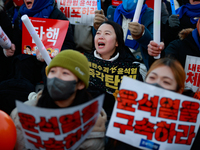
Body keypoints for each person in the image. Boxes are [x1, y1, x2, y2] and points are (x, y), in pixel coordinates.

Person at [10, 50, 107, 150]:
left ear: (80, 84)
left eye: (65, 73)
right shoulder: (21, 114)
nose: (56, 78)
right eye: (52, 71)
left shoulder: (95, 126)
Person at [106, 57, 189, 150]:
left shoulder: (185, 130)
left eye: (166, 82)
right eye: (152, 78)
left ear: (179, 91)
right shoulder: (124, 115)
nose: (156, 85)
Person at [85, 20, 145, 119]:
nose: (101, 36)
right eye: (98, 33)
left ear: (117, 42)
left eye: (107, 33)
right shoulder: (83, 62)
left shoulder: (132, 69)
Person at [93, 0, 154, 69]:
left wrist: (142, 33)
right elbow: (99, 40)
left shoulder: (149, 15)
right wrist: (98, 26)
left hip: (137, 63)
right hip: (112, 61)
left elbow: (154, 45)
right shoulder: (112, 11)